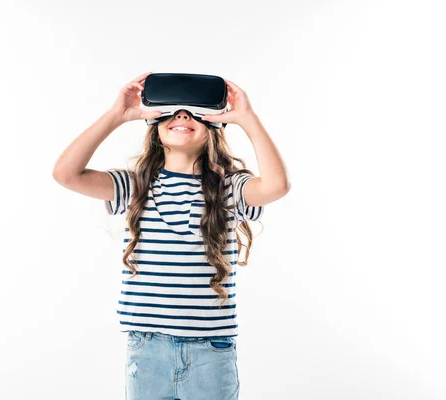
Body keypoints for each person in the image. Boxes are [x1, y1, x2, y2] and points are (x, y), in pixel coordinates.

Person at [52, 71, 290, 400]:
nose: (182, 115)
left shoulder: (230, 188)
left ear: (214, 129)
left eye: (193, 112)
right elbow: (65, 174)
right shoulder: (133, 186)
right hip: (147, 348)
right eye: (173, 111)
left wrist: (247, 119)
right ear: (155, 128)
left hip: (211, 351)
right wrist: (116, 116)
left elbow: (277, 186)